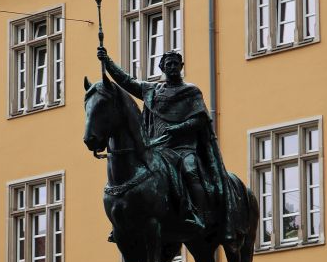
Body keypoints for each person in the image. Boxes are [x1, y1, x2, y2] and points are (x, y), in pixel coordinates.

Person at [96, 46, 234, 239]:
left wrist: (177, 128)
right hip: (157, 148)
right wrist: (107, 61)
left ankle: (198, 214)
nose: (172, 67)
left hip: (183, 148)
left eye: (175, 64)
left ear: (181, 66)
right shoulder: (151, 90)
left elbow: (200, 119)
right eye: (168, 64)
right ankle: (123, 219)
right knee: (133, 175)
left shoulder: (191, 92)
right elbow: (126, 80)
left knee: (190, 170)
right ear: (162, 67)